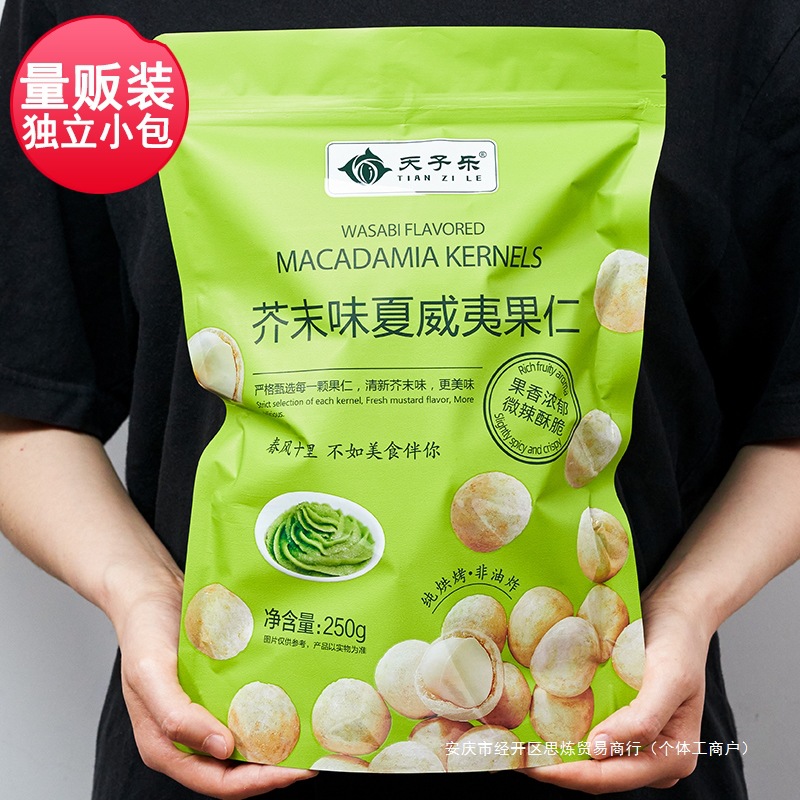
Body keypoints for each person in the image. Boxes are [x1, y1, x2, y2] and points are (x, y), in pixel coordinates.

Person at [1, 1, 799, 798]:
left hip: (627, 745)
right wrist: (140, 590)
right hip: (210, 744)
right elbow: (27, 399)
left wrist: (689, 604)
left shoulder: (738, 18)